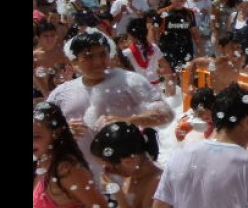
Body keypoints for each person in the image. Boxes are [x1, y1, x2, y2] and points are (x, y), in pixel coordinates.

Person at [46, 29, 176, 178]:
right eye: (88, 56)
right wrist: (64, 132)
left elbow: (166, 114)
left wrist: (126, 122)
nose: (98, 62)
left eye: (103, 54)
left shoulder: (129, 81)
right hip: (81, 181)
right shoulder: (62, 93)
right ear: (74, 61)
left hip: (125, 177)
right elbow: (42, 130)